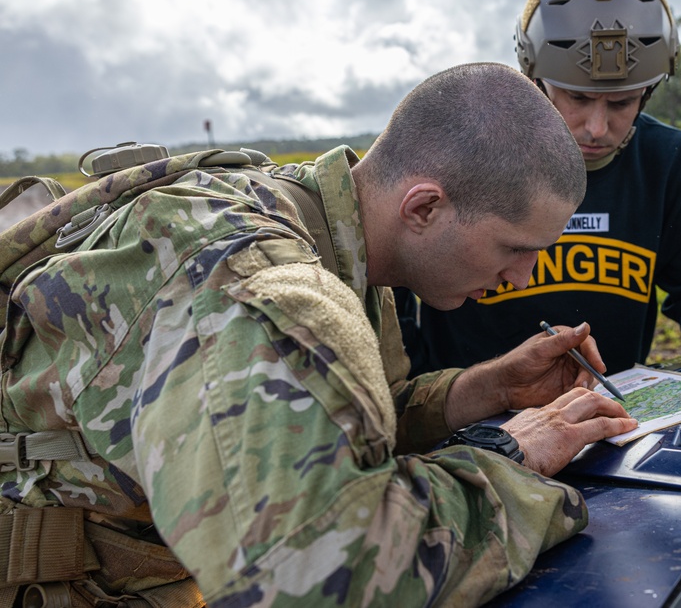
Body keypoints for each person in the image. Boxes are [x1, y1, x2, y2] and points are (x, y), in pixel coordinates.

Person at [0, 63, 636, 606]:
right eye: (514, 248)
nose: (521, 278)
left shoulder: (331, 225)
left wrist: (489, 388)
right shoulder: (262, 290)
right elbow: (322, 578)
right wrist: (509, 460)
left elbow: (339, 422)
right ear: (424, 207)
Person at [400, 0, 681, 378]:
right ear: (535, 78)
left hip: (612, 417)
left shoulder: (671, 163)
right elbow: (392, 282)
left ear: (649, 92)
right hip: (467, 421)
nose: (598, 128)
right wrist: (427, 401)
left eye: (622, 103)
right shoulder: (458, 152)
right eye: (578, 98)